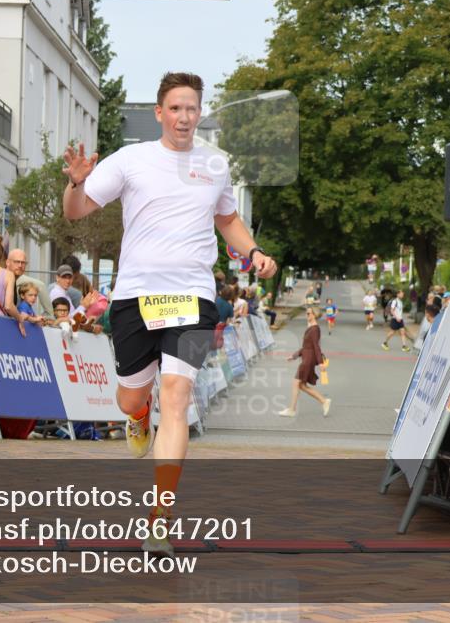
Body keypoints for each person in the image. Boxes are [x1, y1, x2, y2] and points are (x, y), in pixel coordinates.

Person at [61, 71, 277, 559]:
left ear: (200, 113)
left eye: (192, 108)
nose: (184, 117)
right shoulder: (131, 160)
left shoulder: (215, 165)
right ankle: (137, 414)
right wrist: (75, 184)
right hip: (136, 296)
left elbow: (227, 219)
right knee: (130, 397)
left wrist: (255, 251)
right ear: (159, 113)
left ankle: (160, 515)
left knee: (177, 395)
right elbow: (77, 211)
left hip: (194, 298)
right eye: (175, 108)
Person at [278, 307, 331, 418]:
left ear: (314, 315)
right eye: (306, 313)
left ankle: (292, 410)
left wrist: (320, 362)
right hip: (307, 357)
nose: (306, 315)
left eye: (308, 313)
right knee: (301, 385)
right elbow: (305, 347)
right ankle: (324, 401)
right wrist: (294, 356)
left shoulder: (315, 329)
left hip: (308, 359)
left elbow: (316, 347)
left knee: (296, 383)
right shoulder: (311, 328)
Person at [7, 248, 54, 318]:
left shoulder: (16, 280)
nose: (20, 265)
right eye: (16, 262)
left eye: (23, 263)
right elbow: (8, 307)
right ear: (7, 262)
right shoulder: (4, 278)